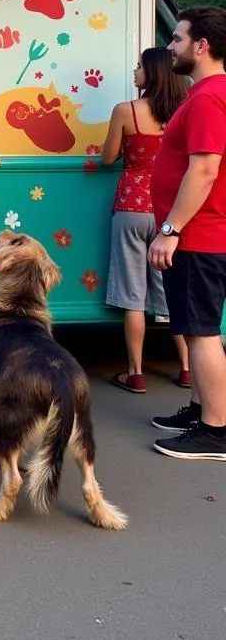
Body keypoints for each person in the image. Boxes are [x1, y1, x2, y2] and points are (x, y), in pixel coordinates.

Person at [148, 6, 226, 461]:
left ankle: (215, 431)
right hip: (204, 233)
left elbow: (204, 169)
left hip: (198, 236)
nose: (170, 47)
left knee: (200, 333)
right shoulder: (208, 94)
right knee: (198, 329)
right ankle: (201, 410)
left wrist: (171, 230)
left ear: (201, 46)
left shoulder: (208, 97)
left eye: (176, 39)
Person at [101, 47, 190, 393]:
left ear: (151, 73)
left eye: (139, 66)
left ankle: (135, 373)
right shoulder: (184, 112)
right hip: (169, 211)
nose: (134, 71)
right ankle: (186, 368)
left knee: (132, 295)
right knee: (172, 291)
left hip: (131, 208)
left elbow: (109, 157)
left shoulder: (126, 111)